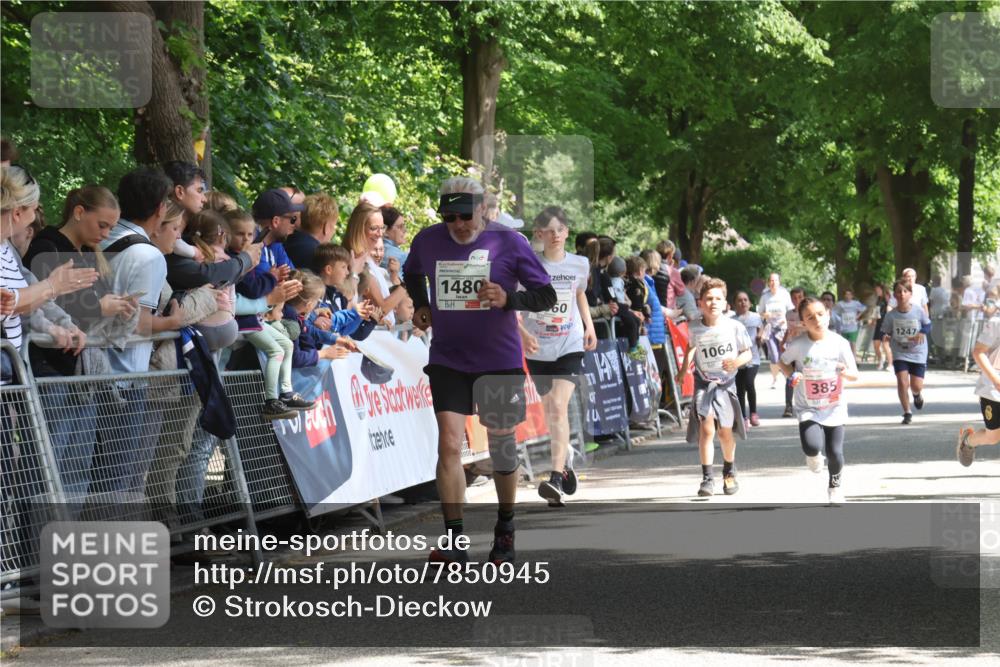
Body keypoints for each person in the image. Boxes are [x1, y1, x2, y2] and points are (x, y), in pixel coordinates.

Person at [403, 176, 556, 565]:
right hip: (448, 358)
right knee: (450, 444)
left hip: (498, 360)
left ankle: (505, 527)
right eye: (450, 216)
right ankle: (454, 540)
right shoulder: (428, 239)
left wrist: (509, 298)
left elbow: (546, 294)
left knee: (502, 446)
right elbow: (411, 271)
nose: (458, 224)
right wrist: (422, 304)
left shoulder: (509, 242)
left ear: (483, 210)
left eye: (465, 215)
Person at [518, 206, 596, 507]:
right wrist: (524, 333)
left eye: (560, 230)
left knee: (559, 406)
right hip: (539, 346)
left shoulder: (579, 264)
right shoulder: (528, 266)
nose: (555, 236)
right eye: (548, 231)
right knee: (551, 410)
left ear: (566, 232)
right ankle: (564, 460)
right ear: (538, 234)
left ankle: (553, 479)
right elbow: (517, 306)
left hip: (569, 343)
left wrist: (589, 326)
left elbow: (579, 294)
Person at [225, 208, 310, 419]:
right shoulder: (236, 261)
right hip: (242, 321)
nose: (246, 239)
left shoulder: (247, 259)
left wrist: (272, 278)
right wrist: (271, 278)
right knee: (276, 351)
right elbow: (253, 289)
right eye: (240, 234)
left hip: (253, 318)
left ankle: (286, 393)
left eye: (249, 234)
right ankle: (271, 400)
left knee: (287, 345)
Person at [779, 296, 859, 504]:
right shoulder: (798, 345)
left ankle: (835, 486)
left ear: (828, 314)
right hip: (808, 406)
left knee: (834, 452)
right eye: (810, 317)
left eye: (820, 314)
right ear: (803, 322)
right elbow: (783, 362)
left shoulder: (840, 343)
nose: (816, 320)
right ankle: (813, 456)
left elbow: (854, 374)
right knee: (812, 446)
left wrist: (844, 371)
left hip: (834, 405)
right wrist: (791, 375)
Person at [678, 278, 753, 497]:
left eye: (718, 299)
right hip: (704, 383)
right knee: (707, 428)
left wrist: (736, 363)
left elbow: (747, 352)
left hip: (726, 384)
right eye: (708, 299)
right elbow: (691, 347)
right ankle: (707, 478)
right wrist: (684, 369)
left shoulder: (735, 326)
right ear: (700, 302)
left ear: (725, 303)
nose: (713, 303)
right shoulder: (694, 327)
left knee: (725, 432)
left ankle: (729, 471)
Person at [343, 201, 407, 326]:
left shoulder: (367, 259)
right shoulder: (356, 259)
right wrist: (406, 284)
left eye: (382, 228)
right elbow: (382, 307)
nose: (379, 234)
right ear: (359, 228)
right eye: (373, 228)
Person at [880, 280, 931, 424]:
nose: (902, 294)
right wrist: (887, 335)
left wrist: (921, 332)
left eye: (905, 291)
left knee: (916, 385)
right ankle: (907, 412)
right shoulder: (891, 315)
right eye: (898, 291)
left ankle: (916, 394)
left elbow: (927, 324)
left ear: (910, 294)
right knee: (902, 382)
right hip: (900, 351)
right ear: (894, 295)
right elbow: (885, 331)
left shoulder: (918, 311)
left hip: (918, 352)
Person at [957, 301, 1000, 466]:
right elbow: (978, 351)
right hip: (993, 389)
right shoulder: (996, 323)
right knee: (993, 437)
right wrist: (995, 380)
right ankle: (967, 441)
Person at [732, 291, 763, 428]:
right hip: (738, 359)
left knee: (749, 383)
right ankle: (742, 417)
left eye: (745, 300)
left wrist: (760, 337)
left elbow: (762, 329)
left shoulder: (756, 317)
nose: (743, 302)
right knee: (739, 388)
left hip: (753, 357)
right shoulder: (732, 320)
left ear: (750, 303)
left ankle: (754, 413)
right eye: (739, 300)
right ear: (734, 304)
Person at [757, 273, 793, 390]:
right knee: (774, 356)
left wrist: (785, 319)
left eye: (775, 280)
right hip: (770, 328)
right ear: (768, 283)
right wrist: (764, 314)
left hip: (783, 328)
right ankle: (775, 378)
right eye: (771, 281)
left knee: (784, 354)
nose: (773, 283)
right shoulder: (765, 297)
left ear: (779, 282)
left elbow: (791, 309)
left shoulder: (784, 294)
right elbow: (760, 312)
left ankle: (786, 376)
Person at [284, 192, 339, 269]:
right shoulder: (319, 257)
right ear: (326, 227)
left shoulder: (286, 240)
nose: (334, 231)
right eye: (333, 225)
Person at [654, 240, 685, 309]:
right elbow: (681, 291)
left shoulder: (652, 268)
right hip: (668, 310)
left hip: (653, 308)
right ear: (670, 255)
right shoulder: (672, 271)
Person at [834, 288, 865, 355]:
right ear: (844, 295)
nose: (847, 296)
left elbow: (864, 308)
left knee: (852, 343)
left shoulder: (855, 303)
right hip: (843, 328)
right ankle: (845, 359)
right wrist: (840, 319)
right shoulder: (840, 304)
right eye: (846, 294)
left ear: (852, 296)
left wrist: (857, 316)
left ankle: (854, 359)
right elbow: (835, 313)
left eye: (849, 294)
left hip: (853, 327)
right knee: (844, 344)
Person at [869, 282, 892, 371]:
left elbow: (890, 309)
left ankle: (890, 364)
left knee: (886, 344)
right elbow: (876, 312)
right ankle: (881, 360)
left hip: (886, 324)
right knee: (876, 345)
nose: (876, 291)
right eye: (876, 290)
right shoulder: (877, 299)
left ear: (882, 289)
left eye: (878, 289)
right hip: (878, 323)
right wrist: (873, 320)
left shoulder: (887, 298)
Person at [380, 205, 408, 274]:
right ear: (385, 231)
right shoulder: (396, 255)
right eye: (400, 226)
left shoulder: (378, 249)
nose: (405, 230)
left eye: (404, 226)